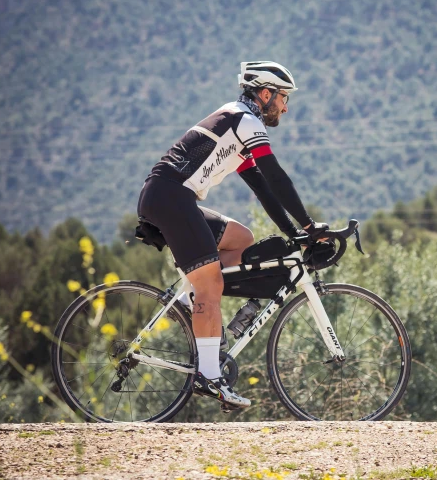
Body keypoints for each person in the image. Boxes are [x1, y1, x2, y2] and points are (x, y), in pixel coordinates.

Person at [136, 61, 327, 410]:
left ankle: (192, 306)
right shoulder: (245, 120)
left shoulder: (236, 128)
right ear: (265, 93)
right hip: (171, 198)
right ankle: (209, 376)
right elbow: (278, 177)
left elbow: (264, 188)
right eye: (284, 98)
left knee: (240, 238)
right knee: (211, 285)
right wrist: (311, 227)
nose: (285, 107)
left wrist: (296, 232)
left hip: (172, 197)